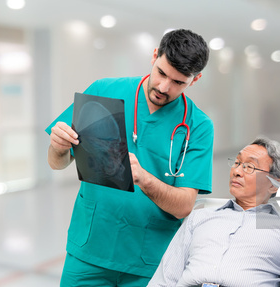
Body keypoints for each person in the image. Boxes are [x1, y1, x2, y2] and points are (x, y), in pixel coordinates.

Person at [45, 29, 214, 286]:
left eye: (178, 82)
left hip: (150, 261)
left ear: (196, 79)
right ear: (155, 56)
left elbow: (183, 206)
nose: (163, 87)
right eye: (162, 73)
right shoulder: (104, 91)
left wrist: (145, 180)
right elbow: (57, 163)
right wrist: (57, 147)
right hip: (89, 248)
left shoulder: (198, 126)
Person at [148, 137, 280, 287]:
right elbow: (165, 279)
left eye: (249, 167)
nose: (236, 171)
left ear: (274, 184)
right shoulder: (199, 217)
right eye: (236, 163)